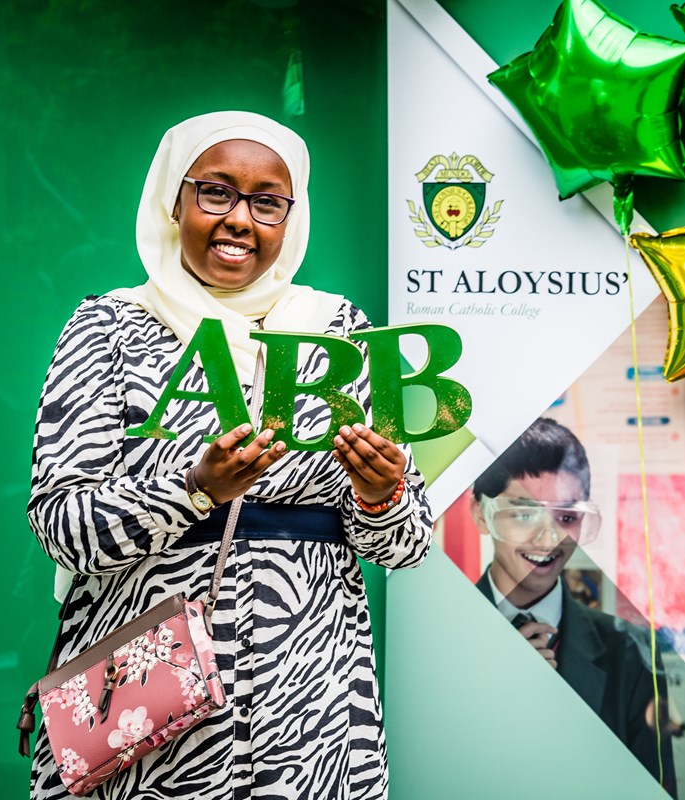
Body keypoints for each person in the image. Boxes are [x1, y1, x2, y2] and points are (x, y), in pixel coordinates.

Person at [26, 112, 433, 799]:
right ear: (173, 199)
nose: (240, 219)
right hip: (149, 698)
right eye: (216, 192)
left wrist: (380, 496)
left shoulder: (342, 334)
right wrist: (193, 490)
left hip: (311, 703)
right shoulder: (110, 326)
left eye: (267, 201)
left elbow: (409, 544)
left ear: (291, 217)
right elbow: (60, 523)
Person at [470, 417, 676, 795]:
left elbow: (654, 789)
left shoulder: (631, 652)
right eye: (523, 513)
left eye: (566, 517)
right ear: (481, 514)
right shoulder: (441, 636)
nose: (549, 537)